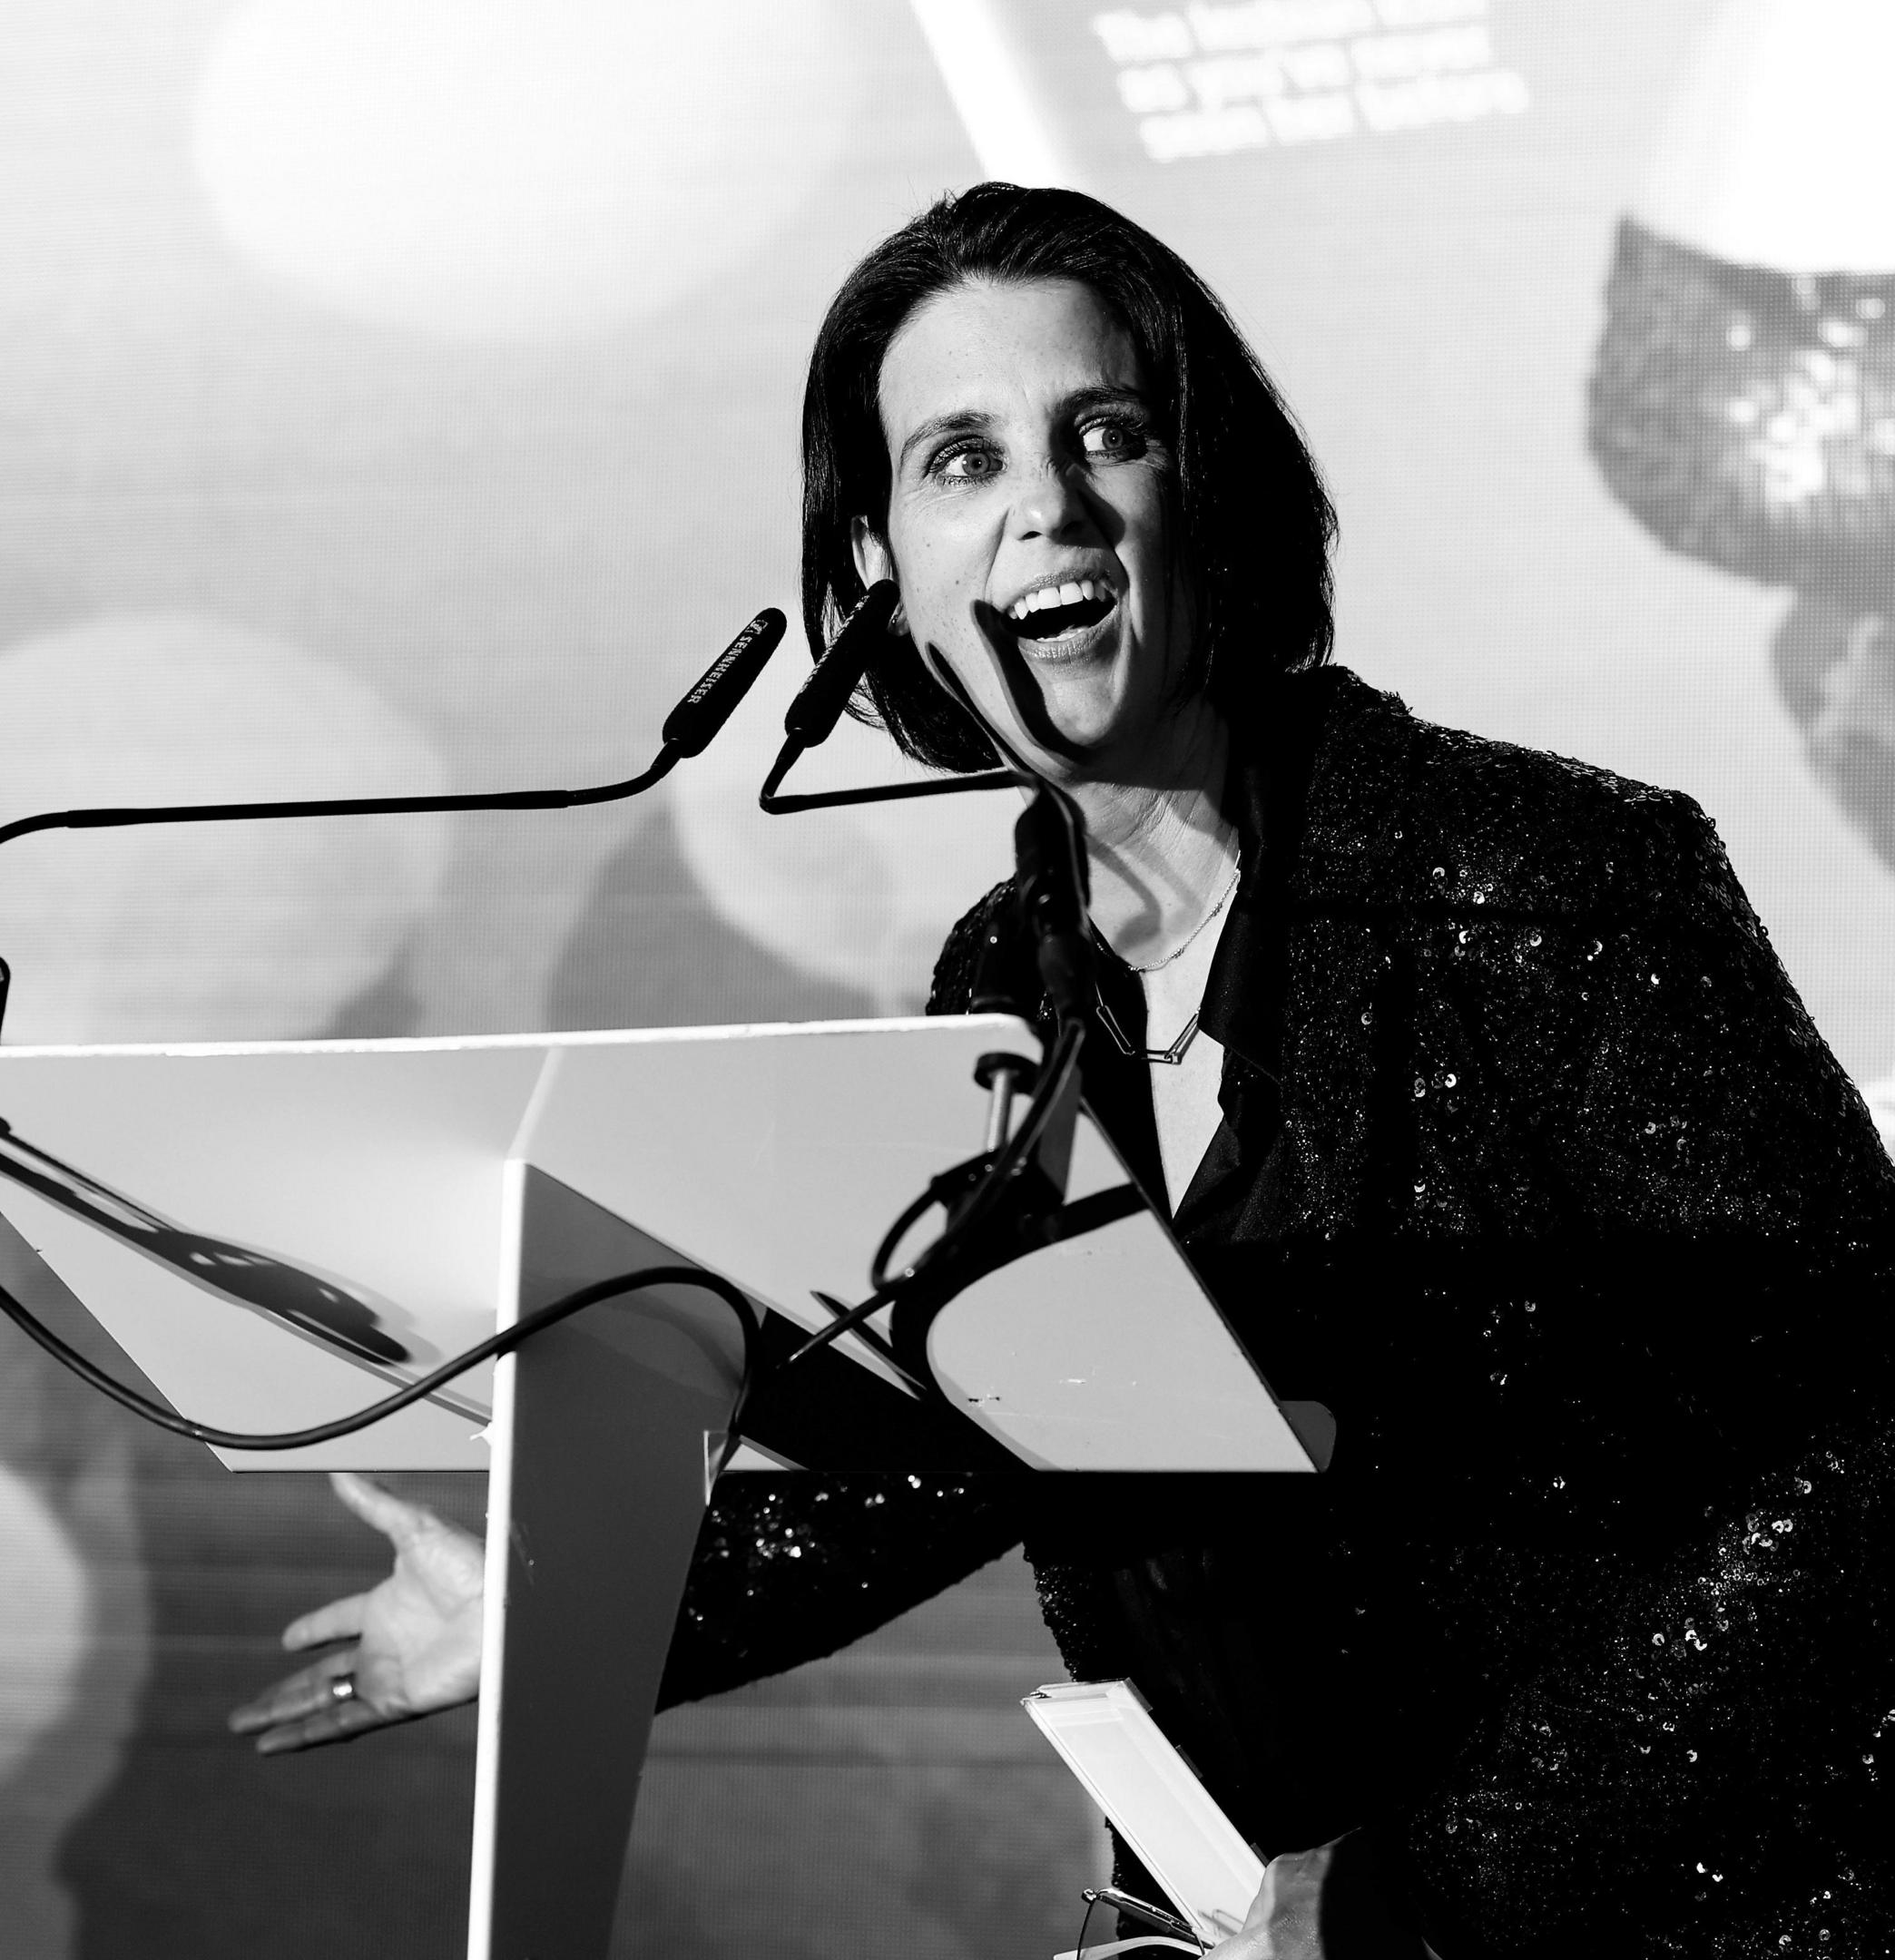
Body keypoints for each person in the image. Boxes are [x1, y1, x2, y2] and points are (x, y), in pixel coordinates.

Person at [231, 185, 1895, 1957]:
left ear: (1211, 494)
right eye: (958, 458)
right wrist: (571, 1609)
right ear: (883, 578)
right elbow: (988, 1429)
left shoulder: (1546, 875)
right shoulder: (1006, 983)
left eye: (1106, 431)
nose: (1045, 500)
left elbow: (1865, 1459)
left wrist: (1431, 1893)